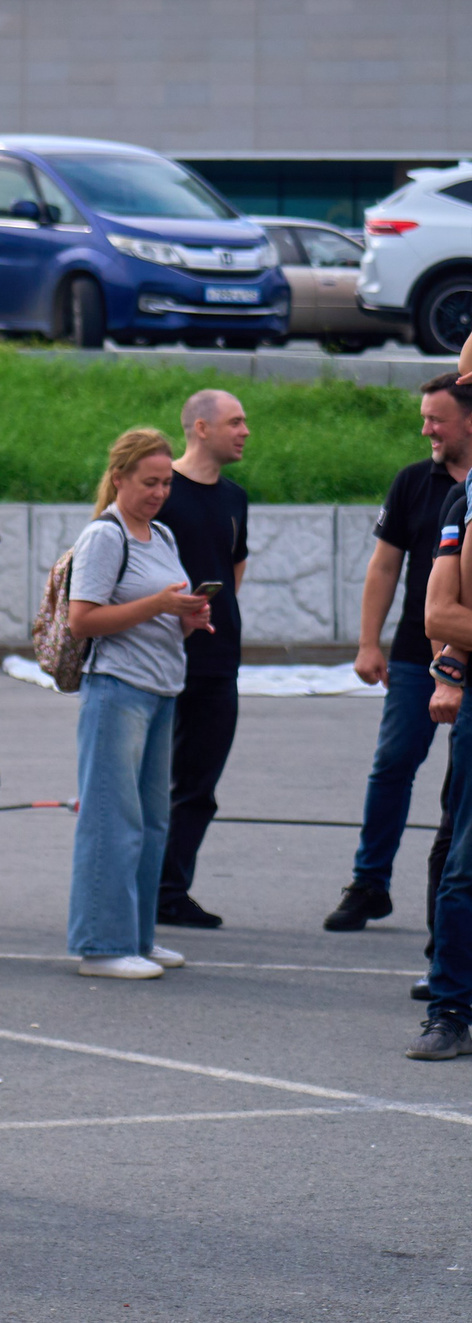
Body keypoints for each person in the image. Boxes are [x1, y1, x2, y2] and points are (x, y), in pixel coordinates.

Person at [63, 428, 212, 980]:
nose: (159, 492)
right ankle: (102, 946)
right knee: (111, 820)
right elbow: (82, 620)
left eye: (166, 482)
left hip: (160, 687)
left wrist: (188, 616)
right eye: (149, 482)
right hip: (117, 689)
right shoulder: (105, 536)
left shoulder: (162, 534)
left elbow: (164, 612)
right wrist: (159, 605)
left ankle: (137, 937)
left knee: (151, 823)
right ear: (119, 478)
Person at [327, 373, 472, 933]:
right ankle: (369, 882)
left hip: (467, 654)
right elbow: (384, 566)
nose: (426, 429)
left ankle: (452, 905)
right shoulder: (413, 482)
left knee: (460, 789)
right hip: (416, 654)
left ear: (469, 422)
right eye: (424, 418)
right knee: (392, 765)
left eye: (437, 419)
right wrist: (369, 644)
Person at [158, 389, 251, 930]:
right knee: (151, 780)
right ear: (201, 427)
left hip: (218, 660)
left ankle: (170, 890)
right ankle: (141, 886)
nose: (244, 432)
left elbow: (234, 565)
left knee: (199, 784)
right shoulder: (161, 489)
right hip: (160, 656)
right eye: (235, 422)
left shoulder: (235, 497)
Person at [404, 473, 472, 1059]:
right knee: (464, 862)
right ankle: (450, 1010)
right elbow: (439, 617)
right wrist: (448, 671)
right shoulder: (466, 497)